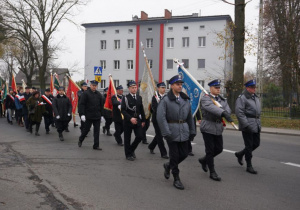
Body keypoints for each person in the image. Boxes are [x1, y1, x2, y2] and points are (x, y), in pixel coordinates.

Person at [157, 75, 196, 190]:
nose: (180, 86)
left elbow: (189, 117)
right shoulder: (166, 100)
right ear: (172, 85)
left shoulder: (185, 99)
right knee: (174, 156)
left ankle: (168, 165)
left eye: (181, 84)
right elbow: (161, 117)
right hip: (171, 130)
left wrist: (192, 130)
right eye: (177, 84)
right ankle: (176, 178)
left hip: (184, 130)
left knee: (184, 153)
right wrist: (166, 132)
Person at [198, 79, 233, 181]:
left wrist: (224, 111)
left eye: (219, 88)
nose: (218, 89)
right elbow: (210, 108)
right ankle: (212, 172)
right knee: (210, 150)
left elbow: (228, 110)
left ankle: (204, 160)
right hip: (208, 126)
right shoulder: (206, 98)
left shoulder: (222, 99)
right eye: (216, 88)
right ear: (210, 88)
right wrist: (222, 112)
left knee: (219, 149)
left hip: (218, 127)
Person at [235, 79, 261, 174]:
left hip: (256, 123)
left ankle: (240, 154)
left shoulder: (255, 97)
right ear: (247, 88)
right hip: (247, 124)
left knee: (256, 143)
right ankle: (249, 165)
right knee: (249, 145)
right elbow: (239, 113)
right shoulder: (242, 98)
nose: (254, 89)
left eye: (255, 87)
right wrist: (246, 124)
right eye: (252, 87)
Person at [121, 80, 146, 161]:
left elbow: (141, 109)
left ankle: (131, 150)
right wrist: (130, 118)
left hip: (137, 120)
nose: (134, 89)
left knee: (140, 136)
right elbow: (123, 110)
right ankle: (128, 155)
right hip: (128, 121)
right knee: (127, 139)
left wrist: (143, 120)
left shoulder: (139, 97)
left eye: (135, 87)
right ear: (129, 88)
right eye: (132, 88)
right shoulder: (125, 98)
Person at [78, 80, 104, 150]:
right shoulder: (85, 94)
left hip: (97, 116)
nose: (94, 87)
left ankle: (96, 145)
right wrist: (82, 114)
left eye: (95, 86)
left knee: (96, 131)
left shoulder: (99, 94)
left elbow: (101, 105)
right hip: (88, 115)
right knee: (86, 130)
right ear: (90, 85)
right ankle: (80, 139)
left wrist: (102, 115)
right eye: (93, 85)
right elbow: (81, 104)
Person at [148, 82, 168, 159]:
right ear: (158, 88)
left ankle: (151, 146)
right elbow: (154, 108)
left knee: (160, 135)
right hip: (156, 119)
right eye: (162, 88)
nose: (164, 89)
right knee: (160, 136)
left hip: (165, 119)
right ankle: (163, 153)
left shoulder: (167, 97)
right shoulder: (155, 97)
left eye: (164, 87)